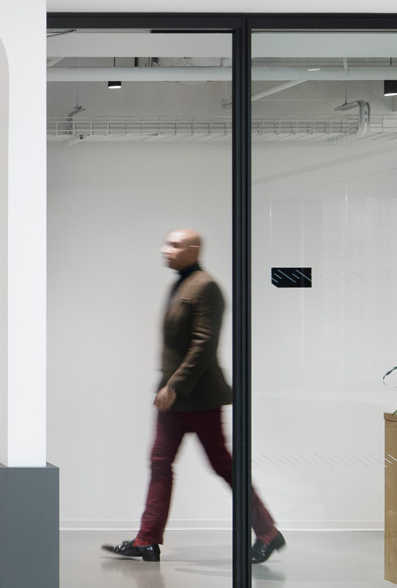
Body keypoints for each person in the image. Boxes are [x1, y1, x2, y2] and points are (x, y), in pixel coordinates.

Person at [103, 230, 286, 566]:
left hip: (198, 396)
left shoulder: (206, 286)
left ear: (193, 249)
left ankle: (268, 532)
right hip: (175, 397)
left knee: (223, 466)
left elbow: (204, 345)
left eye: (174, 245)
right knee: (160, 464)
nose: (165, 249)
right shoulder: (179, 284)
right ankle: (147, 540)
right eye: (165, 243)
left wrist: (174, 386)